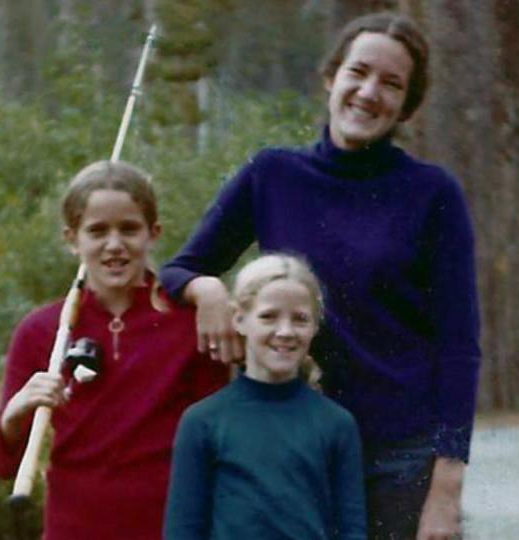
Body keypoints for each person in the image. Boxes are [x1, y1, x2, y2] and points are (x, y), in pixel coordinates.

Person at [160, 12, 480, 540]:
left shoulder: (432, 193)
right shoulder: (272, 175)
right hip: (290, 446)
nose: (369, 92)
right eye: (359, 72)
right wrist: (208, 289)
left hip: (398, 457)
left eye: (391, 83)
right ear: (331, 77)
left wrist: (447, 488)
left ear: (406, 105)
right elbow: (180, 268)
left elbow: (459, 345)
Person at [0, 160, 228, 539]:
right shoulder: (39, 332)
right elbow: (1, 462)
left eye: (129, 229)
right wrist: (15, 415)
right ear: (72, 239)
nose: (114, 244)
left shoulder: (189, 322)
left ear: (153, 233)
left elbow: (220, 444)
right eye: (97, 231)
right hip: (73, 529)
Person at [164, 254, 367, 540]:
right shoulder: (202, 421)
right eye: (269, 316)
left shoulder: (337, 423)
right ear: (240, 319)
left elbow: (352, 529)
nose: (285, 332)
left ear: (314, 327)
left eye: (299, 319)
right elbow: (182, 530)